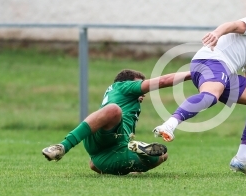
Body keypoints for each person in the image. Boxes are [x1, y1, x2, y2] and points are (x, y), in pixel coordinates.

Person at [153, 8, 246, 176]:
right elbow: (234, 25)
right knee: (211, 96)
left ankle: (242, 159)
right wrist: (216, 34)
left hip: (226, 73)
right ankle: (169, 125)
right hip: (211, 60)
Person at [42, 69, 191, 175]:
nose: (142, 92)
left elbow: (94, 166)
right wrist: (192, 74)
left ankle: (136, 161)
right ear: (128, 83)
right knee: (113, 110)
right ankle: (63, 146)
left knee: (162, 155)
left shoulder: (127, 102)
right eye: (140, 86)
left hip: (103, 152)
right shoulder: (123, 86)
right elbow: (163, 81)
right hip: (107, 134)